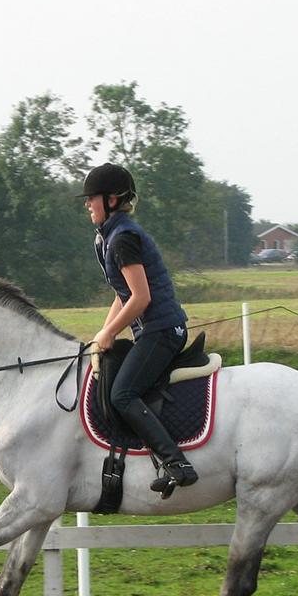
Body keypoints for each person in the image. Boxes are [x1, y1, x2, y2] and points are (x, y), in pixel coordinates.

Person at [81, 162, 199, 494]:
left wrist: (108, 334)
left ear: (113, 200)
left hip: (162, 330)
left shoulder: (122, 239)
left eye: (93, 198)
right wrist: (102, 335)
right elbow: (123, 296)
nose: (88, 204)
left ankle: (176, 463)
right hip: (149, 330)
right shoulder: (107, 238)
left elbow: (141, 297)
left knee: (122, 394)